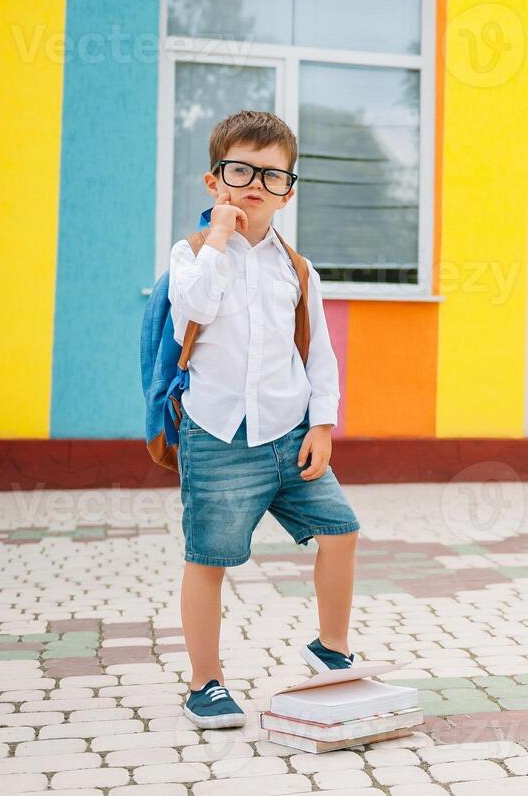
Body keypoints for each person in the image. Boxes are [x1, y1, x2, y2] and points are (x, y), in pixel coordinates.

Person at [167, 110, 360, 729]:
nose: (255, 183)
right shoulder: (193, 254)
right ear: (213, 179)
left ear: (289, 189)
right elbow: (190, 309)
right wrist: (220, 238)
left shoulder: (298, 270)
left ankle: (331, 649)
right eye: (240, 169)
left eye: (271, 175)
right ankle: (207, 683)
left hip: (288, 433)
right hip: (218, 435)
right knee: (210, 559)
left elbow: (319, 352)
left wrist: (323, 425)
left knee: (341, 529)